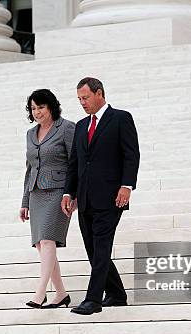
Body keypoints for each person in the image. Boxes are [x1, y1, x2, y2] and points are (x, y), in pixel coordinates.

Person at [61, 77, 140, 315]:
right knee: (93, 250)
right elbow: (74, 163)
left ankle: (93, 299)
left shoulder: (120, 118)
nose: (82, 103)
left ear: (99, 93)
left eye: (85, 98)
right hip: (85, 198)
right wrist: (69, 192)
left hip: (111, 197)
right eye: (79, 99)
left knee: (102, 246)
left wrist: (126, 186)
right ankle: (116, 293)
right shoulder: (81, 125)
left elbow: (131, 154)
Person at [20, 89, 77, 309]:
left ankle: (40, 292)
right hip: (36, 193)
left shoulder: (66, 128)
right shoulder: (30, 134)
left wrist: (72, 193)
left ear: (51, 106)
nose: (37, 112)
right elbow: (29, 169)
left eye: (41, 107)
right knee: (40, 245)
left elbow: (76, 163)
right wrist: (24, 201)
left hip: (59, 192)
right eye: (33, 108)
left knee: (47, 240)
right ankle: (61, 294)